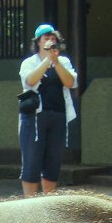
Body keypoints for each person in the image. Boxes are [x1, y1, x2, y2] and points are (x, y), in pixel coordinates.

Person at [18, 24, 78, 197]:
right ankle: (29, 203)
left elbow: (70, 83)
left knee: (53, 159)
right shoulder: (29, 62)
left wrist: (56, 61)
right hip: (34, 117)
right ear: (38, 42)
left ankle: (49, 201)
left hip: (59, 115)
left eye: (53, 39)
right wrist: (46, 60)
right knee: (32, 159)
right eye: (46, 38)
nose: (51, 41)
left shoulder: (64, 62)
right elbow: (30, 81)